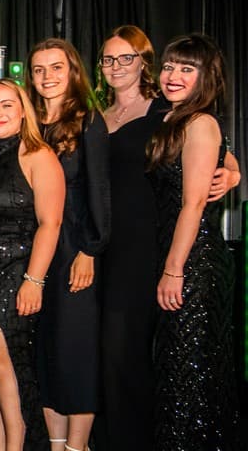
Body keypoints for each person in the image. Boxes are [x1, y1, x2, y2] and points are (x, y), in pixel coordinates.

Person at [93, 25, 240, 450]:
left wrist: (232, 171)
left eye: (126, 58)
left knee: (170, 363)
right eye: (108, 59)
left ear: (143, 62)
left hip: (159, 251)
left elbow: (211, 155)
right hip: (109, 250)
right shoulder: (97, 115)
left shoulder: (166, 109)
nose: (116, 66)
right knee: (131, 359)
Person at [0, 79, 64, 451]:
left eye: (6, 105)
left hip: (15, 273)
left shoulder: (38, 155)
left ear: (23, 111)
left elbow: (51, 223)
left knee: (6, 365)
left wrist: (34, 280)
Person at [146, 34, 239, 450]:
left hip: (195, 265)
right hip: (179, 257)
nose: (173, 75)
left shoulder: (200, 122)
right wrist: (233, 167)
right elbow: (220, 156)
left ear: (206, 77)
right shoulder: (174, 118)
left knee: (191, 375)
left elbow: (194, 203)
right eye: (169, 66)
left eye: (187, 68)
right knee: (176, 371)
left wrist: (174, 270)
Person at [26, 39, 110, 451]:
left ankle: (78, 447)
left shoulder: (88, 121)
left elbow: (99, 191)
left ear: (73, 70)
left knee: (76, 353)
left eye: (56, 67)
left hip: (75, 252)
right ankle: (56, 444)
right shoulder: (28, 123)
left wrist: (90, 250)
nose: (47, 77)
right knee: (46, 354)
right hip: (34, 254)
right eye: (39, 69)